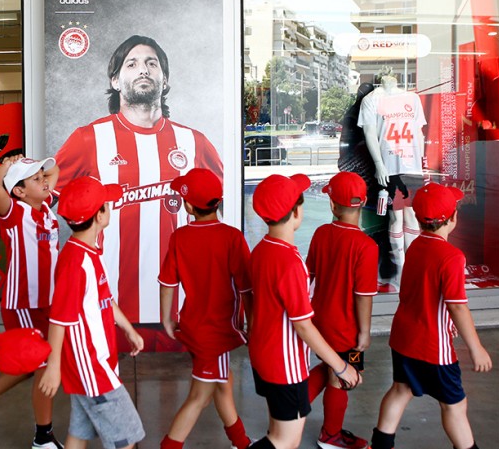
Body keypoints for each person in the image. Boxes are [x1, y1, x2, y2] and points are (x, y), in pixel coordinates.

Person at [54, 34, 223, 324]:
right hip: (110, 307)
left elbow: (217, 214)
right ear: (115, 81)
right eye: (131, 64)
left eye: (151, 63)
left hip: (181, 308)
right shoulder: (88, 138)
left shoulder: (194, 142)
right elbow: (43, 197)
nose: (143, 69)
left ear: (165, 80)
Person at [369, 183, 493, 449]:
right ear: (453, 218)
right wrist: (476, 348)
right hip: (433, 346)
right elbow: (457, 307)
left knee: (401, 389)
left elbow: (427, 295)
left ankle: (380, 444)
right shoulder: (452, 256)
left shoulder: (416, 246)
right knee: (454, 406)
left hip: (403, 339)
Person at [248, 174, 361, 449]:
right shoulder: (291, 261)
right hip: (284, 364)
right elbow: (303, 326)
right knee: (285, 441)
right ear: (297, 212)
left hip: (262, 355)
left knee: (277, 432)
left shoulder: (260, 251)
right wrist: (341, 367)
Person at [0, 155, 63, 449]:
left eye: (42, 177)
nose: (44, 181)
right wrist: (8, 164)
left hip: (46, 301)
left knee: (30, 364)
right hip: (24, 304)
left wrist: (33, 166)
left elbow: (54, 170)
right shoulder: (14, 212)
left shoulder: (45, 205)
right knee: (42, 363)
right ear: (18, 191)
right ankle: (43, 437)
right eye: (36, 179)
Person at [39, 176, 145, 449]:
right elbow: (59, 319)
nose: (110, 208)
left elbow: (104, 298)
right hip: (91, 367)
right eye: (106, 205)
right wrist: (53, 367)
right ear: (99, 216)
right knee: (126, 437)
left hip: (94, 363)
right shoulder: (76, 262)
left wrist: (128, 329)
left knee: (79, 433)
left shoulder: (88, 252)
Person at [157, 168, 253, 449]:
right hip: (217, 333)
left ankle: (241, 442)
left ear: (188, 206)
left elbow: (167, 283)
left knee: (222, 383)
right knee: (199, 397)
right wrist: (254, 325)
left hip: (196, 328)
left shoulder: (179, 237)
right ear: (218, 201)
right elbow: (247, 289)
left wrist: (167, 319)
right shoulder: (232, 237)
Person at [306, 172, 379, 449]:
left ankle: (288, 411)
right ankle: (330, 435)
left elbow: (309, 276)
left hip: (319, 322)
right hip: (346, 329)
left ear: (332, 204)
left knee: (330, 365)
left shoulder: (321, 233)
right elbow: (363, 297)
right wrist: (364, 332)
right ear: (364, 202)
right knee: (342, 377)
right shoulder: (366, 246)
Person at [358, 68, 426, 289]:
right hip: (389, 166)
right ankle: (401, 267)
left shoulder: (412, 98)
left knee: (412, 215)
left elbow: (419, 132)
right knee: (396, 216)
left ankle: (412, 265)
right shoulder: (372, 100)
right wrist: (379, 164)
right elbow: (369, 133)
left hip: (412, 166)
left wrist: (422, 163)